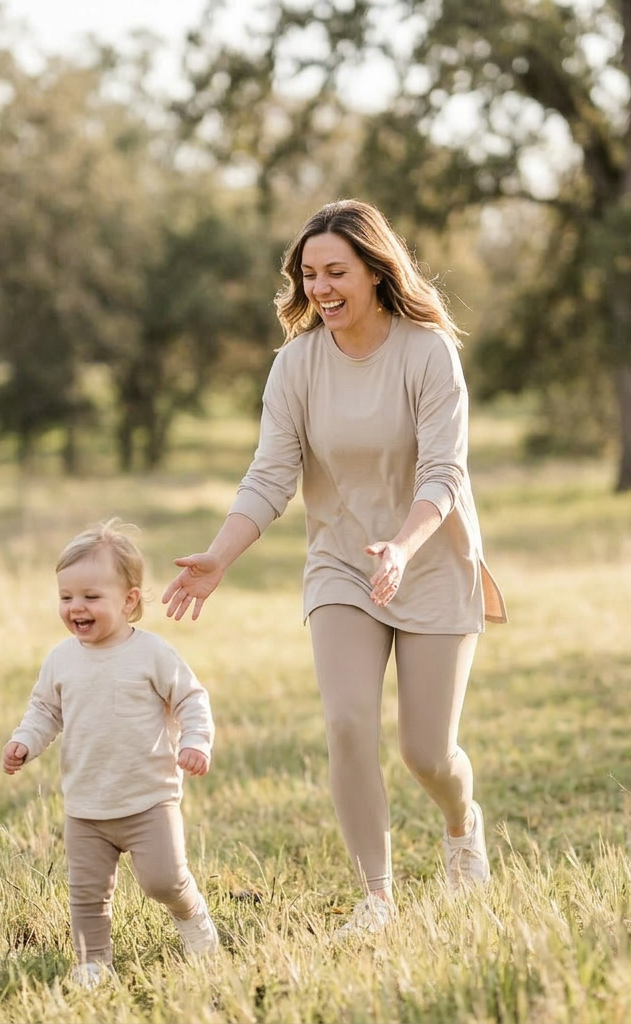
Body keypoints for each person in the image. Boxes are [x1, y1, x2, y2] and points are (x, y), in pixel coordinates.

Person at [161, 199, 507, 937]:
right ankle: (376, 898)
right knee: (348, 722)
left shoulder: (426, 352)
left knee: (426, 750)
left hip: (433, 560)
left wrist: (404, 548)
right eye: (308, 273)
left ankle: (460, 824)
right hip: (342, 566)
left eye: (335, 271)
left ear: (377, 273)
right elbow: (269, 476)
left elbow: (443, 474)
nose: (320, 287)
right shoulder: (297, 365)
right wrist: (218, 557)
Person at [2, 520, 219, 986]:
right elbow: (44, 710)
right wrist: (25, 741)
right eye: (66, 597)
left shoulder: (153, 654)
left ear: (129, 600)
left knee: (163, 880)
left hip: (148, 800)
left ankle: (191, 912)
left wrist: (196, 741)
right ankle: (93, 962)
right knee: (86, 894)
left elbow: (191, 700)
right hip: (86, 806)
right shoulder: (62, 659)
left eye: (91, 597)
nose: (76, 607)